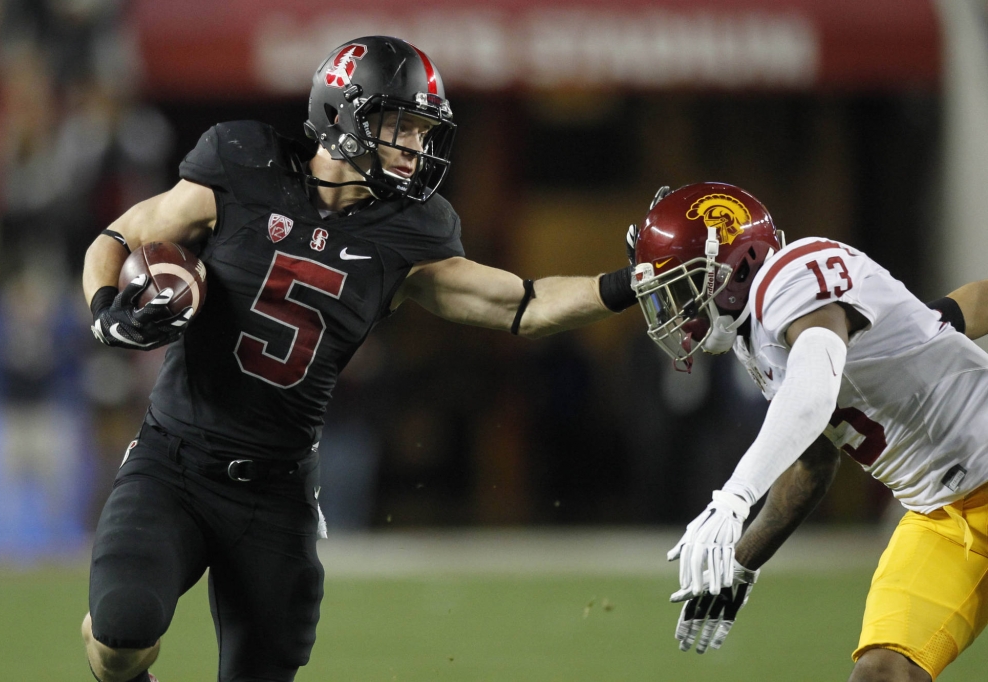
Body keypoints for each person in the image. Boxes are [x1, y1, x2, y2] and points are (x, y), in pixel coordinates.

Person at [79, 36, 639, 682]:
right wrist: (106, 309)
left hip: (275, 489)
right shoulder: (243, 166)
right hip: (173, 459)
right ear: (342, 115)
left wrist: (623, 286)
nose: (414, 146)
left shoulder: (409, 234)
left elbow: (527, 303)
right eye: (398, 125)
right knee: (120, 632)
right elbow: (124, 234)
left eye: (421, 130)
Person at [629, 181, 988, 681]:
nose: (678, 313)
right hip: (941, 517)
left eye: (685, 289)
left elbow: (815, 388)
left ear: (737, 265)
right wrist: (741, 564)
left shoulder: (791, 272)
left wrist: (734, 497)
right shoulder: (755, 340)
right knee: (881, 673)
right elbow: (814, 461)